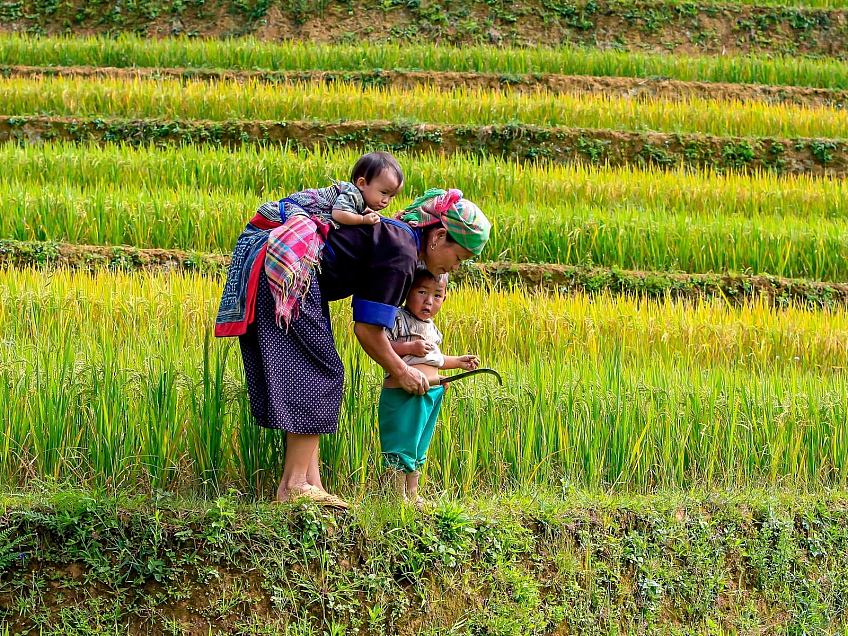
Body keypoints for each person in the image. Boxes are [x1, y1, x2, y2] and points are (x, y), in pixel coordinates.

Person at [215, 183, 491, 509]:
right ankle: (294, 484)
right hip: (293, 269)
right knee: (322, 372)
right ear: (439, 236)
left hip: (280, 264)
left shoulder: (396, 241)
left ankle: (309, 483)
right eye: (459, 256)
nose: (457, 267)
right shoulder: (402, 253)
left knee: (311, 371)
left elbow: (367, 321)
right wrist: (401, 371)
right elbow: (367, 331)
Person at [380, 266, 480, 507]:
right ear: (407, 291)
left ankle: (412, 494)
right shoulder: (398, 318)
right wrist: (408, 348)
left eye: (437, 295)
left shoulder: (432, 328)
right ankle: (395, 496)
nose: (428, 301)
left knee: (419, 444)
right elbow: (381, 345)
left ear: (445, 297)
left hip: (432, 392)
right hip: (404, 392)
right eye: (422, 292)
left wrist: (458, 362)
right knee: (402, 443)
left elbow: (437, 359)